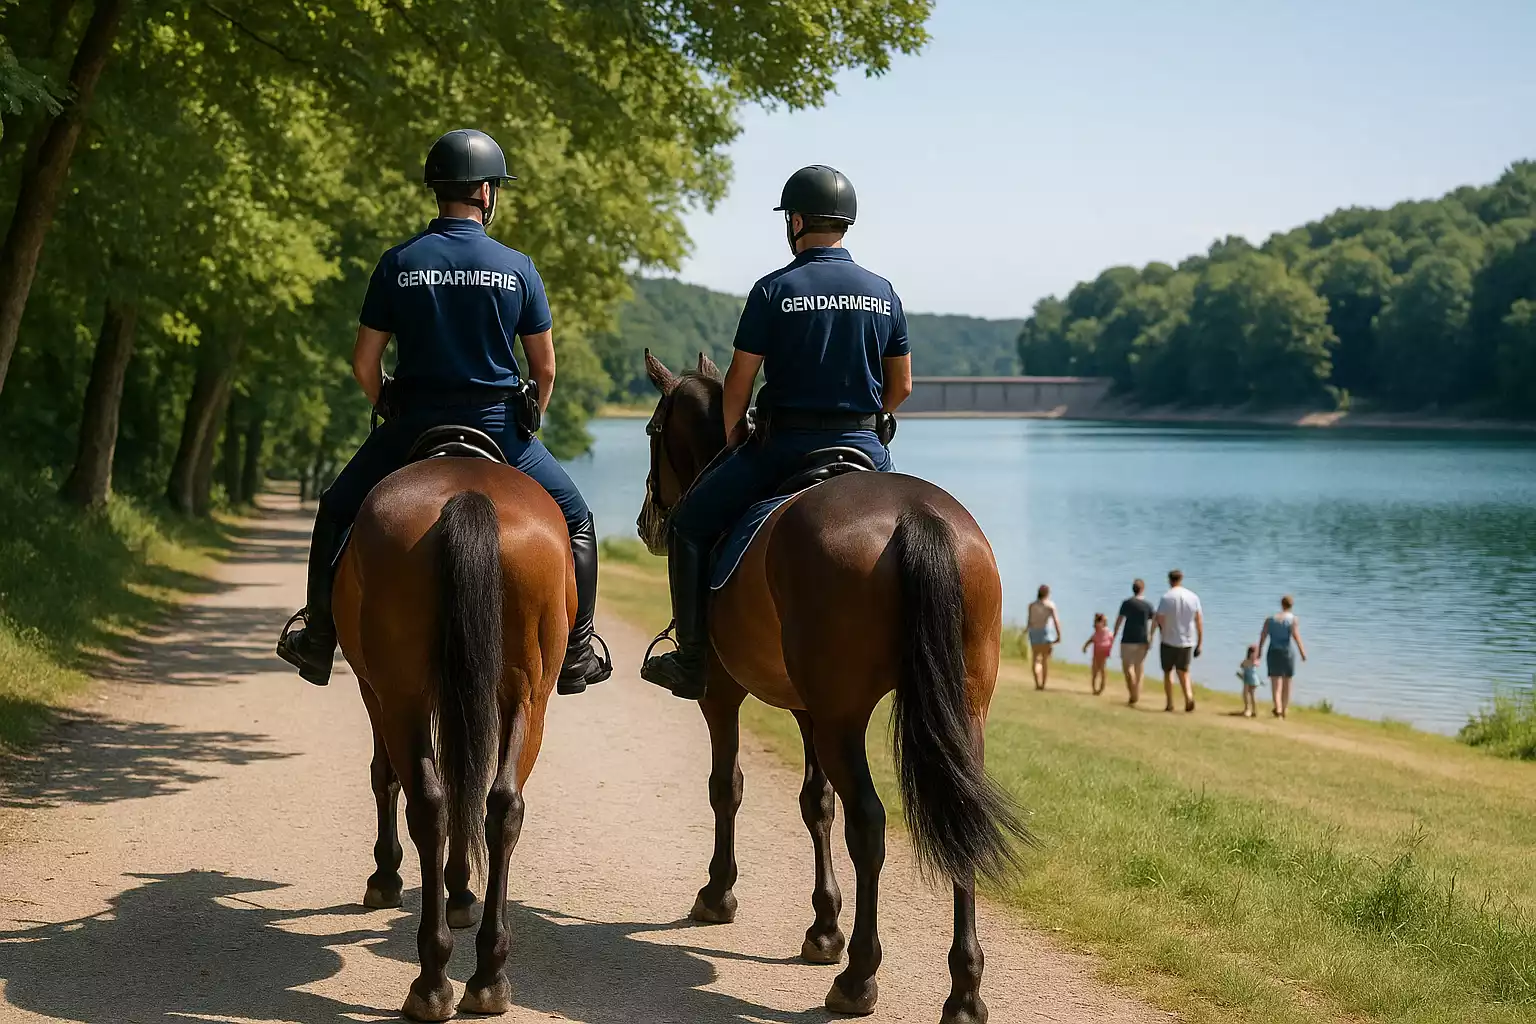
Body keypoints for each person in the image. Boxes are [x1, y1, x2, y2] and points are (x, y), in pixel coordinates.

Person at [276, 129, 611, 693]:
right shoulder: (517, 267)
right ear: (485, 191)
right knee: (576, 518)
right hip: (499, 428)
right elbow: (546, 370)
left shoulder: (399, 262)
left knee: (336, 508)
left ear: (439, 188)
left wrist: (387, 403)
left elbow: (364, 362)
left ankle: (318, 637)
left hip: (412, 424)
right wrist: (532, 412)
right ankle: (577, 652)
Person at [639, 165, 913, 700]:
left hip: (786, 447)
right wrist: (869, 420)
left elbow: (738, 381)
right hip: (863, 447)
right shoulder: (883, 293)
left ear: (797, 221)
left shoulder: (774, 289)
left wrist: (736, 431)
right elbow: (901, 385)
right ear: (846, 223)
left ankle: (692, 658)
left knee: (691, 526)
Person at [1155, 569, 1203, 713]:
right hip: (1188, 640)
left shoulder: (1166, 598)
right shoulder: (1193, 597)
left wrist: (1161, 630)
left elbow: (1160, 619)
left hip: (1169, 640)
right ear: (1181, 579)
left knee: (1168, 671)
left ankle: (1170, 703)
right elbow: (1199, 621)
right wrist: (1200, 642)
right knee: (1184, 671)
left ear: (1169, 580)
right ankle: (1188, 697)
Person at [1257, 594, 1308, 718]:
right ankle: (1284, 709)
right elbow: (1296, 636)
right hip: (1287, 652)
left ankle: (1277, 707)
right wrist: (1302, 652)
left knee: (1275, 682)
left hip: (1273, 651)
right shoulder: (1293, 619)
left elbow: (1263, 635)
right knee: (1287, 682)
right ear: (1291, 605)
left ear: (1281, 604)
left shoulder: (1270, 619)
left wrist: (1259, 650)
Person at [1113, 578, 1157, 705]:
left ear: (1133, 589)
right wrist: (1151, 636)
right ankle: (1136, 693)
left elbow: (1119, 620)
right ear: (1143, 589)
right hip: (1142, 639)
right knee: (1139, 668)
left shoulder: (1127, 603)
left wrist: (1114, 634)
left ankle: (1133, 693)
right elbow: (1154, 621)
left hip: (1127, 638)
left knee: (1128, 667)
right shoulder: (1148, 605)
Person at [1026, 585, 1062, 690]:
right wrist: (1059, 635)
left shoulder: (1031, 606)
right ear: (1047, 594)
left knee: (1035, 659)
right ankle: (1043, 684)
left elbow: (1029, 622)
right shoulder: (1050, 606)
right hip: (1046, 634)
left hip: (1034, 634)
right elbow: (1056, 622)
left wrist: (1025, 631)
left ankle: (1037, 683)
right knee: (1045, 660)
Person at [1081, 613, 1113, 696]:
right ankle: (1098, 689)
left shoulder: (1099, 630)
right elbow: (1111, 639)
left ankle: (1097, 689)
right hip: (1103, 651)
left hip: (1099, 651)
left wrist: (1085, 647)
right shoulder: (1106, 631)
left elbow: (1091, 640)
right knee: (1101, 669)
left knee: (1096, 670)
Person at [1236, 644, 1262, 718]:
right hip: (1246, 679)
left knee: (1253, 695)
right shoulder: (1246, 661)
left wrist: (1253, 661)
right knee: (1245, 694)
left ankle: (1254, 710)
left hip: (1253, 680)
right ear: (1249, 654)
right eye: (1253, 654)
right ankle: (1247, 709)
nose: (1254, 656)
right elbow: (1241, 665)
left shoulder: (1255, 662)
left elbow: (1256, 664)